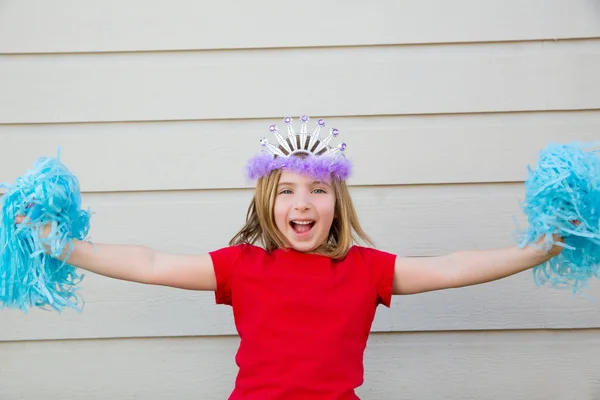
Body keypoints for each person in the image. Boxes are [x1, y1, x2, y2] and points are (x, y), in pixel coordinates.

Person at [16, 116, 563, 400]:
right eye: (287, 191)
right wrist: (61, 246)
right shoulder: (241, 265)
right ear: (266, 202)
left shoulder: (367, 269)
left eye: (318, 190)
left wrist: (539, 250)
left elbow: (449, 268)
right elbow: (152, 263)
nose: (303, 203)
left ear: (337, 203)